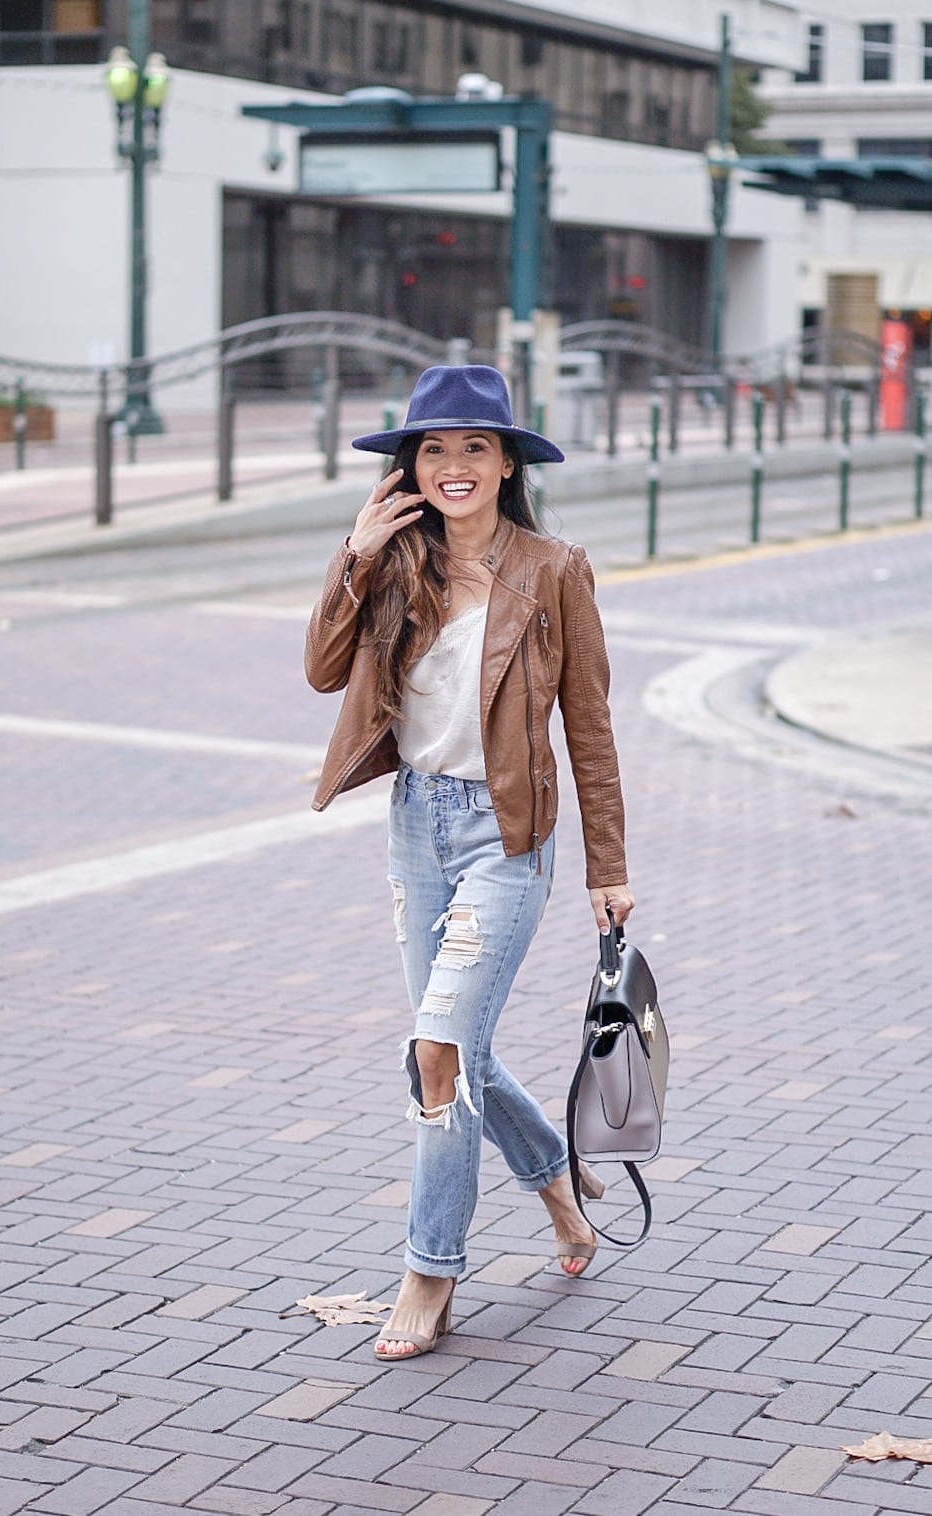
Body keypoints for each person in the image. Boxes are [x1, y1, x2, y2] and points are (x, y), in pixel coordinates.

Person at [305, 365, 634, 1363]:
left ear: (505, 464)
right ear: (409, 467)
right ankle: (562, 1196)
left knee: (437, 1053)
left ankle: (428, 1272)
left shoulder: (553, 569)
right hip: (418, 826)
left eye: (473, 449)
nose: (454, 466)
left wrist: (606, 865)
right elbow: (323, 670)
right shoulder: (395, 562)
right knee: (464, 1050)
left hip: (508, 836)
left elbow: (588, 723)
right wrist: (353, 554)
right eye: (434, 449)